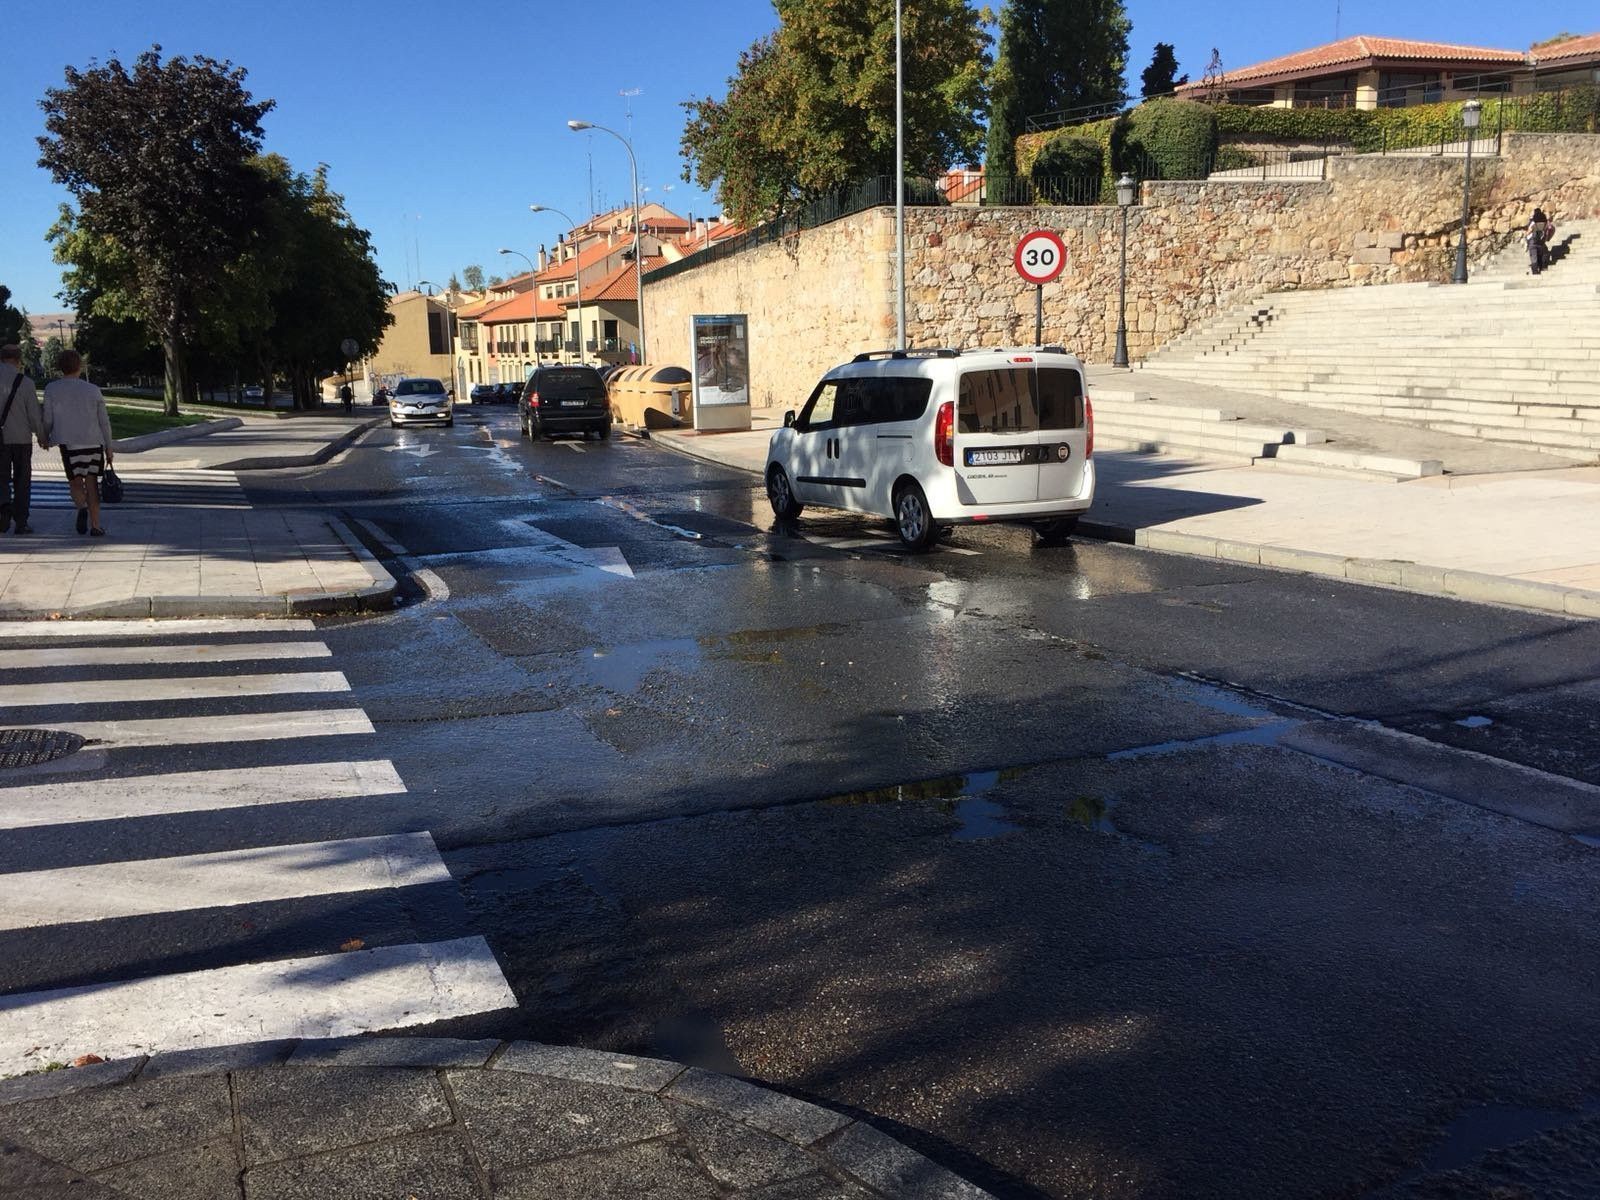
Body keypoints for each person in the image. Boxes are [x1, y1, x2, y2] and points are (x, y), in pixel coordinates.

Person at [42, 349, 114, 537]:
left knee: (75, 482)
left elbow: (48, 418)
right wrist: (109, 446)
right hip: (93, 441)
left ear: (60, 367)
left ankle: (81, 507)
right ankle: (96, 525)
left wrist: (45, 436)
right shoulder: (93, 390)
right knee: (92, 483)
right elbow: (103, 421)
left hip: (68, 442)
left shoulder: (52, 389)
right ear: (79, 366)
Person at [0, 344, 47, 535]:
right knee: (22, 480)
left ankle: (3, 507)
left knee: (1, 478)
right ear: (19, 361)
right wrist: (42, 436)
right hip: (21, 438)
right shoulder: (25, 382)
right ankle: (21, 521)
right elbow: (34, 415)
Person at [1527, 207, 1554, 274]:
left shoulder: (1534, 225)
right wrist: (1547, 238)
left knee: (1534, 257)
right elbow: (1551, 229)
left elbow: (1528, 233)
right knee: (1544, 253)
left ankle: (1535, 271)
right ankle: (1543, 267)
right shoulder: (1545, 225)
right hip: (1541, 243)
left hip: (1533, 242)